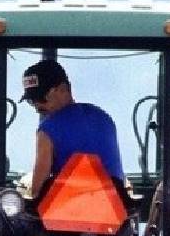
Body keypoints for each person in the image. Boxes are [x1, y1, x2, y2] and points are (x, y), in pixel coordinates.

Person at [20, 59, 124, 199]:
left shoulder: (47, 130)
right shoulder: (105, 118)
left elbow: (37, 192)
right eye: (31, 101)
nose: (38, 106)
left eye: (42, 98)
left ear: (63, 89)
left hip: (67, 214)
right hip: (114, 211)